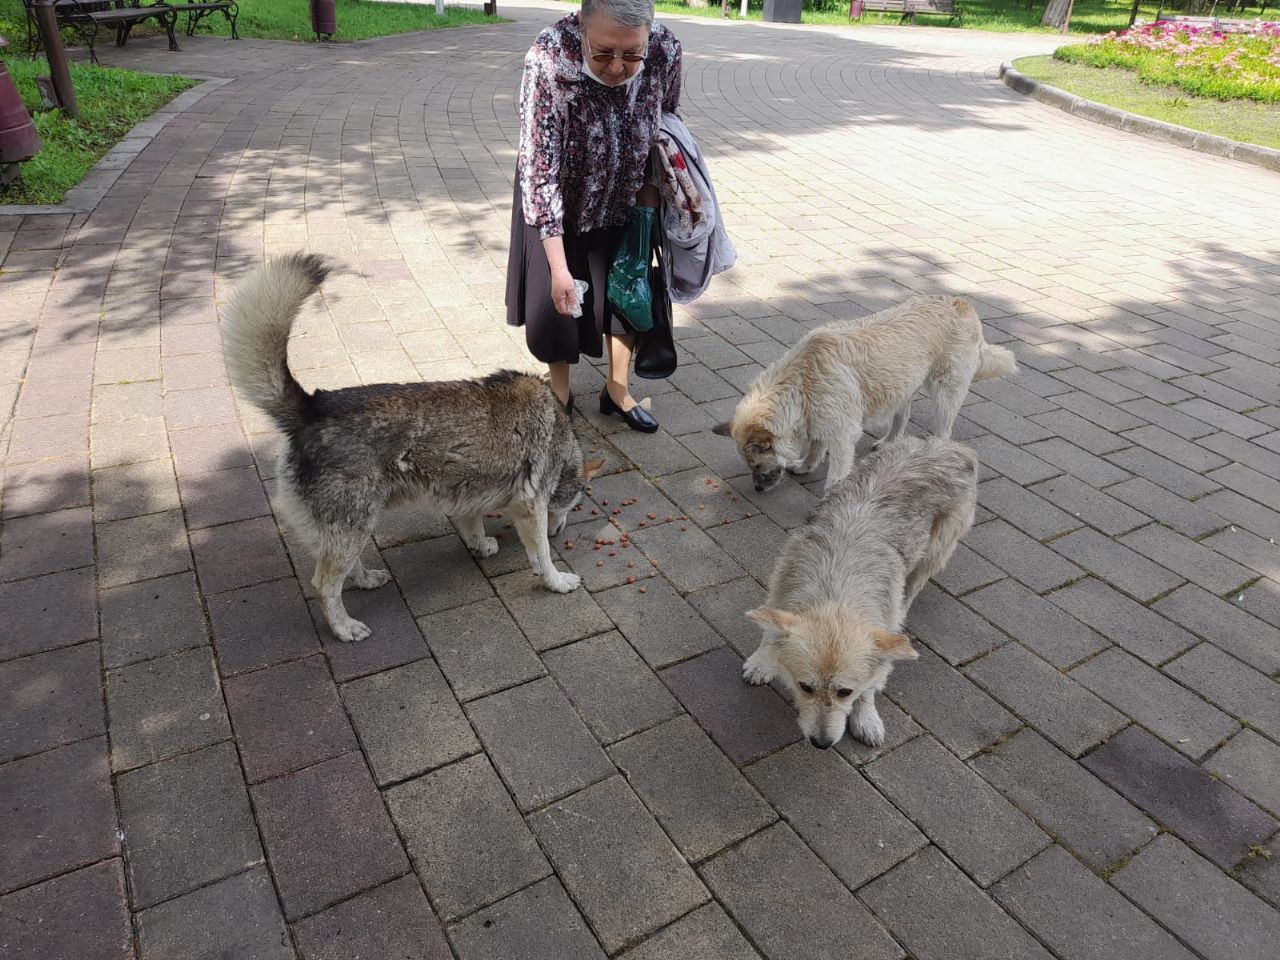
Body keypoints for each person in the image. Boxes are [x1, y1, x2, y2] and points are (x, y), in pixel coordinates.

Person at [505, 0, 682, 433]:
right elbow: (539, 167)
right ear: (582, 23)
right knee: (558, 302)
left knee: (628, 290)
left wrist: (654, 195)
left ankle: (617, 389)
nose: (618, 67)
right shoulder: (549, 55)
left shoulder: (666, 49)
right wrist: (560, 267)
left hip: (628, 192)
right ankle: (560, 394)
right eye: (603, 54)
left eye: (631, 54)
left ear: (649, 33)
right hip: (557, 200)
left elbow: (669, 116)